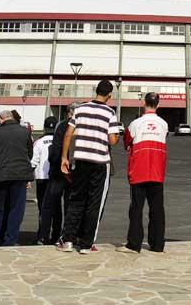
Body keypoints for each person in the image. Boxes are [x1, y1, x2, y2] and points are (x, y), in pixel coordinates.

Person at [58, 80, 122, 254]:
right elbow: (112, 140)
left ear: (96, 91)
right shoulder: (110, 112)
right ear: (109, 95)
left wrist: (65, 157)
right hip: (100, 162)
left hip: (80, 159)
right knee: (94, 202)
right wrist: (116, 134)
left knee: (76, 200)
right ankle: (86, 244)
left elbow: (68, 134)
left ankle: (68, 240)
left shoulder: (80, 109)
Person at [119, 92, 169, 254]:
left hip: (138, 171)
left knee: (136, 208)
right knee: (157, 209)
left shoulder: (135, 124)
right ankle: (157, 244)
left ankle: (134, 244)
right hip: (157, 172)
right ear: (158, 105)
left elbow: (126, 141)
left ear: (143, 103)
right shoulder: (164, 124)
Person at [0, 109, 34, 247]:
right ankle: (10, 239)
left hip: (0, 174)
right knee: (16, 209)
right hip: (20, 175)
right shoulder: (25, 132)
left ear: (1, 118)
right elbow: (30, 154)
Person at [38, 105, 74, 245]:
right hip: (74, 171)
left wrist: (55, 163)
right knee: (70, 206)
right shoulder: (82, 126)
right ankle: (67, 235)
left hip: (58, 170)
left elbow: (55, 148)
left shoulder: (62, 126)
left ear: (68, 113)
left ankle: (44, 236)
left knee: (50, 205)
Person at [31, 116, 56, 238]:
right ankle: (56, 234)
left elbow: (33, 161)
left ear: (45, 127)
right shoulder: (59, 140)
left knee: (43, 208)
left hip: (42, 178)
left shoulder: (39, 142)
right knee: (56, 209)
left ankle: (42, 235)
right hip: (56, 178)